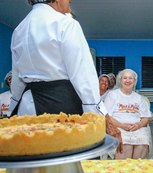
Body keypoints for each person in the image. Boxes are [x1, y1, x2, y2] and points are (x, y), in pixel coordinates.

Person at [9, 0, 122, 151]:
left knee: (33, 158)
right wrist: (103, 118)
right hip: (62, 107)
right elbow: (84, 76)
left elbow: (16, 79)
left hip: (26, 108)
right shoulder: (66, 24)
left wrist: (12, 112)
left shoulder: (18, 30)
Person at [104, 69, 153, 159]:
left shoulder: (139, 98)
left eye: (131, 78)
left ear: (134, 82)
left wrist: (138, 125)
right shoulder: (112, 95)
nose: (128, 80)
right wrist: (122, 125)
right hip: (117, 127)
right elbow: (107, 116)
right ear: (120, 80)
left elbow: (146, 117)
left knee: (142, 144)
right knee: (126, 145)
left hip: (137, 128)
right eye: (125, 78)